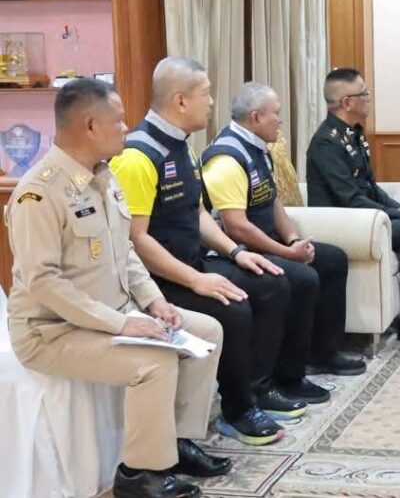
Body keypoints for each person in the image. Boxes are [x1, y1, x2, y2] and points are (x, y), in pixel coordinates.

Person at [6, 79, 230, 498]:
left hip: (112, 312)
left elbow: (124, 251)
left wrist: (154, 301)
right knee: (155, 363)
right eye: (119, 120)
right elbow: (44, 282)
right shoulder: (38, 194)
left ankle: (176, 442)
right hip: (51, 331)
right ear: (91, 126)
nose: (127, 128)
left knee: (207, 331)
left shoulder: (104, 178)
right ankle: (140, 474)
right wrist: (120, 323)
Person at [110, 57, 306, 447]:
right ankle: (237, 410)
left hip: (193, 262)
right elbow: (136, 240)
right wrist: (197, 280)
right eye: (206, 93)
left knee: (271, 281)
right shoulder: (137, 156)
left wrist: (236, 253)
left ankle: (258, 389)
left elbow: (198, 213)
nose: (212, 102)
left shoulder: (182, 146)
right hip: (156, 281)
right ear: (180, 100)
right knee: (234, 307)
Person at [202, 82, 366, 382]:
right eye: (275, 113)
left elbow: (272, 201)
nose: (280, 120)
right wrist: (287, 253)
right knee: (303, 277)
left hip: (267, 243)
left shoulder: (260, 148)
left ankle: (323, 353)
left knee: (332, 259)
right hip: (237, 253)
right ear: (255, 117)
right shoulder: (226, 158)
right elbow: (236, 226)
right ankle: (288, 375)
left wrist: (293, 239)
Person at [305, 67, 400, 344]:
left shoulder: (353, 134)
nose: (369, 98)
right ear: (347, 102)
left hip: (364, 216)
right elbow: (350, 200)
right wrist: (397, 215)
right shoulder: (326, 144)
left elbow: (370, 187)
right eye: (364, 94)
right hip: (344, 222)